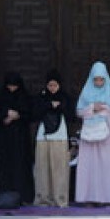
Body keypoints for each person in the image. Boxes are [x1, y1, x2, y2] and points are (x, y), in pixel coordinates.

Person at [75, 61, 110, 205]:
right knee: (89, 165)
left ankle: (107, 197)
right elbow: (79, 111)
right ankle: (88, 197)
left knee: (106, 164)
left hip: (108, 132)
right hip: (89, 132)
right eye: (96, 79)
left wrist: (103, 108)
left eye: (101, 79)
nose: (99, 82)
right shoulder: (86, 91)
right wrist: (91, 107)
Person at [0, 72, 34, 204]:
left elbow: (30, 114)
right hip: (3, 140)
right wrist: (6, 114)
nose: (12, 89)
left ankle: (22, 196)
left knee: (20, 167)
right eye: (10, 86)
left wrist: (18, 115)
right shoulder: (0, 97)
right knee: (4, 168)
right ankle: (2, 196)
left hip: (20, 140)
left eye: (14, 86)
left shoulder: (24, 97)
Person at [33, 70, 73, 207]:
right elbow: (34, 112)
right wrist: (49, 105)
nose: (52, 88)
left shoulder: (65, 97)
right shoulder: (41, 97)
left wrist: (60, 106)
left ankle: (60, 198)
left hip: (60, 136)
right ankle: (43, 198)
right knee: (42, 168)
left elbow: (71, 114)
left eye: (55, 85)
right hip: (43, 136)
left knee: (60, 168)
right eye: (50, 85)